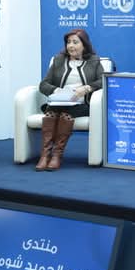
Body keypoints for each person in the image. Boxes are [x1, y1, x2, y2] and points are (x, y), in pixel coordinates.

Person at [35, 28, 104, 171]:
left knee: (65, 115)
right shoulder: (59, 60)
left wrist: (87, 88)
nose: (71, 46)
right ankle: (45, 155)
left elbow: (103, 81)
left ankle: (57, 155)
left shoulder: (94, 61)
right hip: (59, 102)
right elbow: (43, 84)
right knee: (51, 114)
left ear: (84, 44)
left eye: (75, 42)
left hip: (82, 104)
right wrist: (56, 90)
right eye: (68, 42)